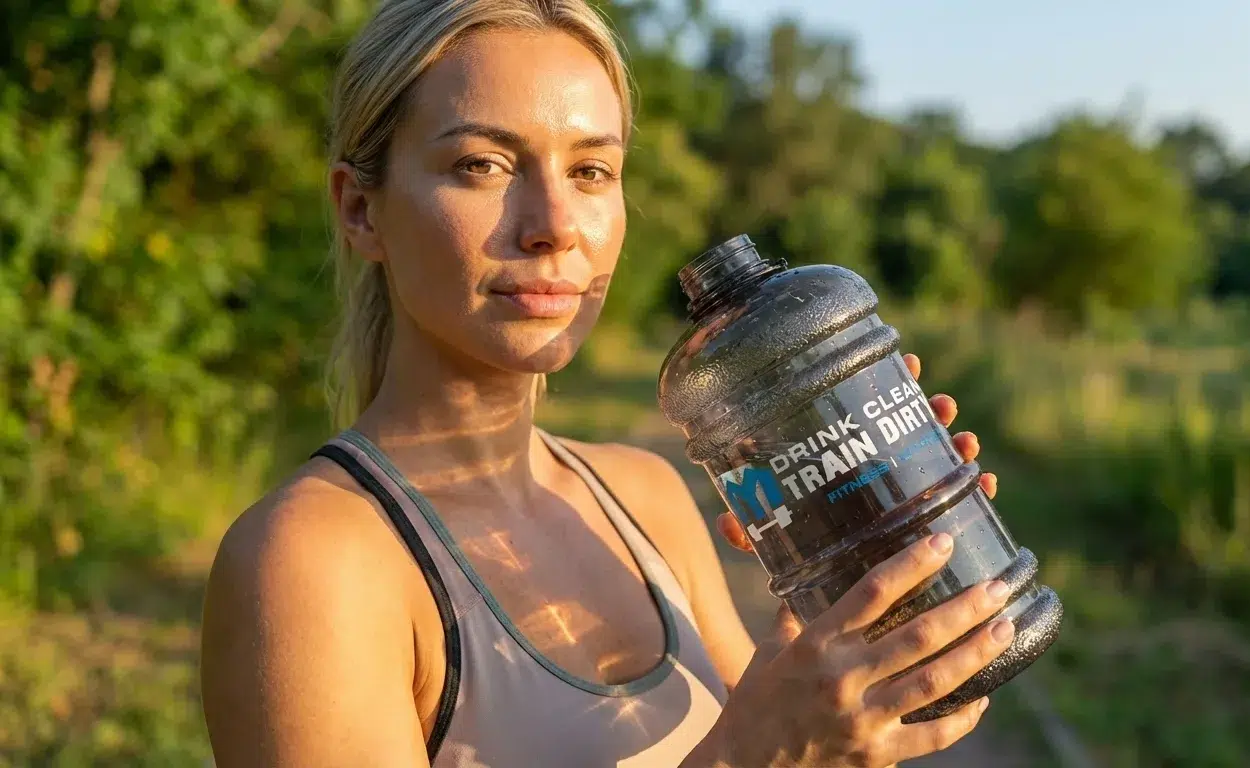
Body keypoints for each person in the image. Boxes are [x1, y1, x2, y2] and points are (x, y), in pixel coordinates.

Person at [199, 1, 1013, 765]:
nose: (554, 225)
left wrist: (881, 597)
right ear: (359, 211)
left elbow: (798, 740)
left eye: (591, 171)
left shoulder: (646, 497)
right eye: (481, 164)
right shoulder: (315, 560)